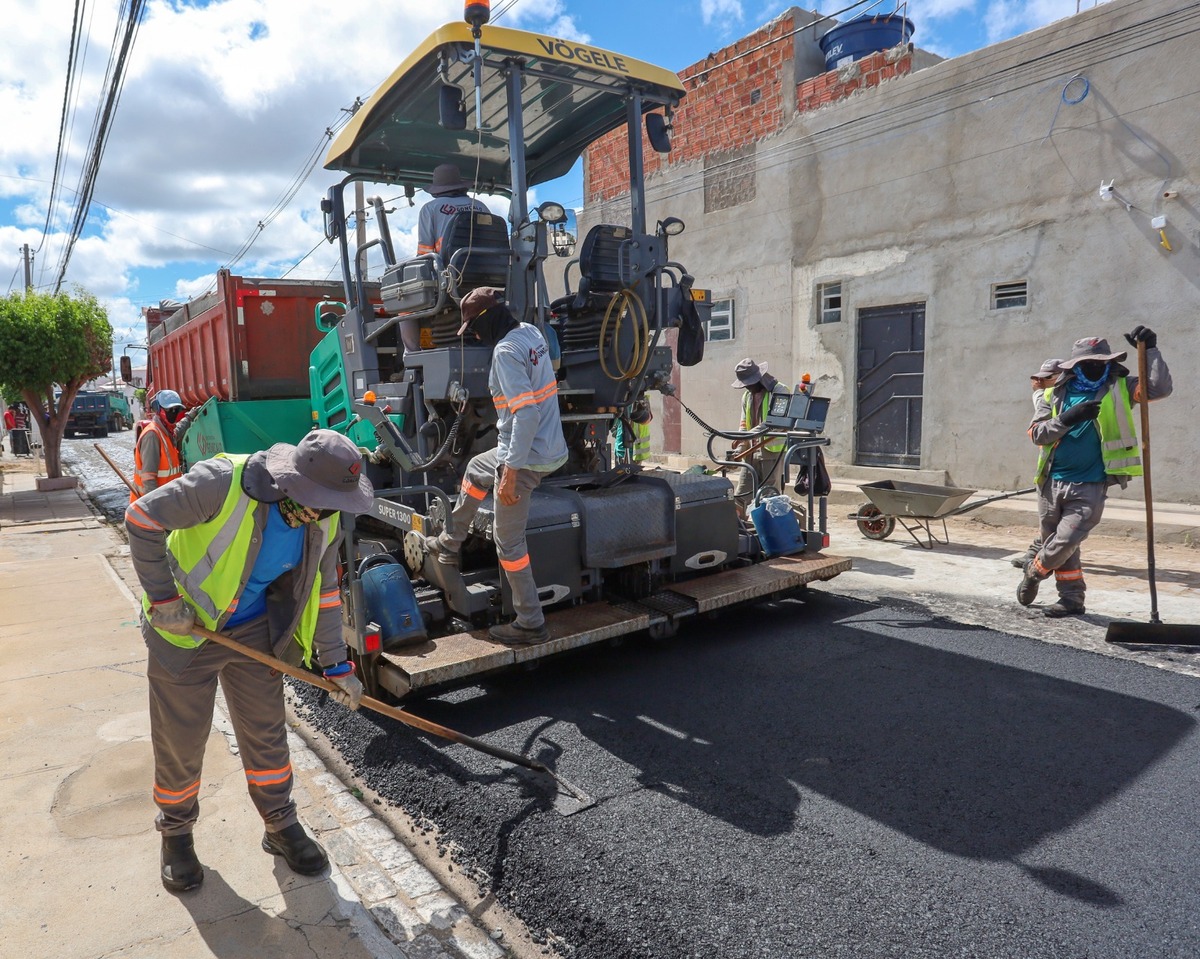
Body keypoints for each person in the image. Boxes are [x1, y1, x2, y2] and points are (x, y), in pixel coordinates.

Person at [124, 429, 374, 892]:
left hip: (255, 632)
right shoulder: (220, 483)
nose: (320, 512)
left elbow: (325, 594)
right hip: (187, 630)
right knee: (181, 739)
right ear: (289, 481)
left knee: (266, 735)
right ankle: (176, 834)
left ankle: (279, 824)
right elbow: (140, 519)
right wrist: (163, 600)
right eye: (316, 500)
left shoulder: (325, 519)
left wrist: (337, 665)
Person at [420, 286, 568, 645]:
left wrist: (512, 472)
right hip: (548, 446)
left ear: (487, 320)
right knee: (474, 469)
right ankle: (449, 542)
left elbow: (527, 413)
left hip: (527, 457)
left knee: (509, 544)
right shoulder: (530, 333)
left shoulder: (504, 351)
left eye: (473, 326)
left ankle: (530, 621)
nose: (472, 333)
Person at [1018, 327, 1171, 617]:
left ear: (1110, 363)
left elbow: (1159, 389)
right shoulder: (1053, 393)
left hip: (1091, 483)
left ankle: (1034, 571)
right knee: (1063, 547)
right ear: (1074, 366)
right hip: (1051, 482)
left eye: (1100, 363)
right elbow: (1038, 434)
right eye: (1086, 364)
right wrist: (1067, 418)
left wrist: (1150, 350)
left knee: (1067, 539)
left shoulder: (1121, 387)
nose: (1093, 368)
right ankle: (1072, 598)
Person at [400, 163, 491, 354]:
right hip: (486, 278)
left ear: (437, 190)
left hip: (450, 281)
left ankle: (412, 355)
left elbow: (424, 254)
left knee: (403, 300)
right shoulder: (481, 206)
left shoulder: (431, 209)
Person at [1010, 358, 1063, 569]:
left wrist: (1038, 392)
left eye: (1046, 378)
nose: (1041, 382)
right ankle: (1038, 553)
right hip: (1051, 467)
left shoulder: (1061, 395)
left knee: (1057, 522)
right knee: (1051, 520)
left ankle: (1040, 557)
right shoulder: (1049, 395)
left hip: (1069, 470)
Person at [730, 358, 790, 515]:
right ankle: (739, 528)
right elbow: (744, 423)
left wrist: (750, 434)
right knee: (742, 493)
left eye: (749, 384)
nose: (748, 388)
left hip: (772, 451)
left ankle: (772, 529)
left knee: (769, 495)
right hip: (751, 452)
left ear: (759, 379)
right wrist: (741, 445)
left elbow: (775, 422)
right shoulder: (747, 396)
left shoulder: (780, 391)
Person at [131, 389, 191, 501]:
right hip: (148, 505)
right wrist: (156, 506)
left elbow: (177, 432)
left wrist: (189, 418)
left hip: (167, 499)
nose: (173, 413)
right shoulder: (152, 435)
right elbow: (148, 478)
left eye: (176, 410)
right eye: (169, 409)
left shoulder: (165, 431)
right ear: (157, 409)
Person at [612, 399, 653, 465]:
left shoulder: (641, 398)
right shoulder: (621, 398)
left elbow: (648, 419)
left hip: (636, 451)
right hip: (623, 449)